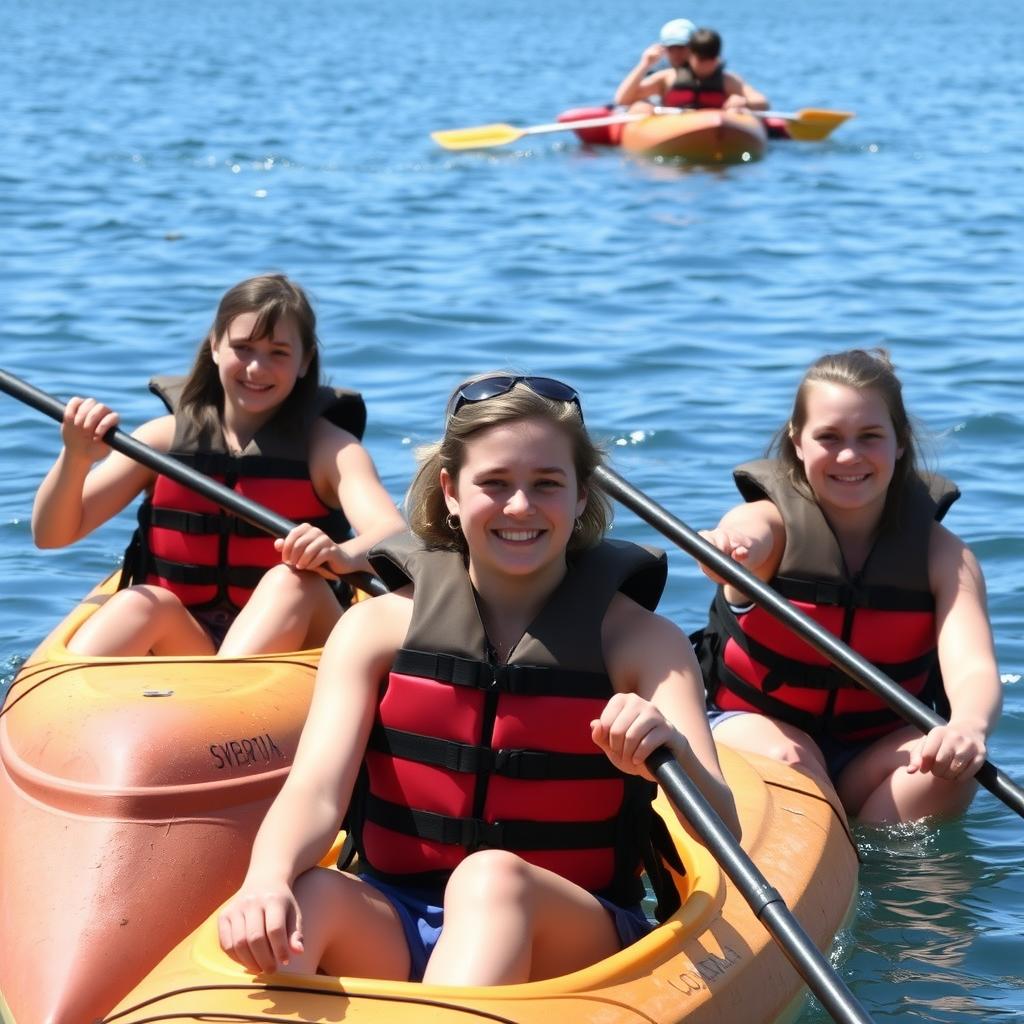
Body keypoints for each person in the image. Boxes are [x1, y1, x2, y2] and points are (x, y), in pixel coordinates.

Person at [217, 373, 738, 984]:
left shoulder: (643, 644)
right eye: (494, 483)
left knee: (489, 880)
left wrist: (668, 750)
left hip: (570, 936)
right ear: (452, 491)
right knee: (309, 897)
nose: (520, 506)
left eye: (547, 483)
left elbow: (724, 827)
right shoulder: (374, 629)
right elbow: (314, 793)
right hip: (398, 912)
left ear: (580, 495)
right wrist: (266, 881)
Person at [694, 349, 1002, 825]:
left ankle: (868, 865)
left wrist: (966, 727)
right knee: (794, 761)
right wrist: (729, 550)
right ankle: (830, 844)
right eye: (829, 437)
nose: (849, 456)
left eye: (870, 437)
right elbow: (747, 533)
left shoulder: (945, 557)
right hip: (755, 733)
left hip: (871, 752)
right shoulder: (769, 524)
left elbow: (973, 667)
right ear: (798, 442)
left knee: (946, 769)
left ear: (900, 443)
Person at [31, 274, 405, 657]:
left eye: (278, 352)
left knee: (289, 582)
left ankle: (223, 699)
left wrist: (342, 554)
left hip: (299, 635)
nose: (257, 368)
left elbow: (394, 535)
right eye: (243, 347)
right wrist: (74, 458)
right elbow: (52, 536)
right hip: (188, 639)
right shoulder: (161, 442)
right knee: (139, 602)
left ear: (305, 360)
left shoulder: (330, 450)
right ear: (214, 347)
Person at [616, 25, 769, 113]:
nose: (676, 54)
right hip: (675, 129)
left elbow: (762, 103)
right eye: (671, 49)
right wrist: (644, 64)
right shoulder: (668, 77)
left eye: (681, 48)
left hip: (714, 129)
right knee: (640, 107)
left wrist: (743, 102)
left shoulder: (728, 80)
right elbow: (622, 99)